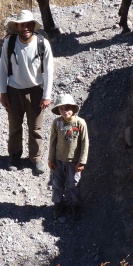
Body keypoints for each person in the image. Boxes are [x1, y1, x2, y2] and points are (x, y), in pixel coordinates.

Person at [0, 9, 54, 174]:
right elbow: (2, 68)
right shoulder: (9, 43)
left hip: (36, 91)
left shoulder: (42, 43)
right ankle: (15, 157)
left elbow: (49, 70)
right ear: (17, 27)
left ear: (33, 25)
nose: (25, 28)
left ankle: (35, 158)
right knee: (15, 127)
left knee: (35, 128)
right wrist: (3, 92)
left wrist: (47, 95)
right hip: (14, 90)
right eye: (22, 25)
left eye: (28, 24)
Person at [48, 93, 89, 221]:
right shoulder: (57, 123)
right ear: (58, 110)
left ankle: (75, 206)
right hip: (59, 161)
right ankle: (59, 204)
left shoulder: (80, 123)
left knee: (73, 185)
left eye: (67, 108)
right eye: (61, 108)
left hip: (74, 162)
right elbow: (53, 141)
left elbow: (85, 143)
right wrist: (51, 159)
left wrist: (82, 162)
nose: (65, 111)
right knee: (57, 184)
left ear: (73, 108)